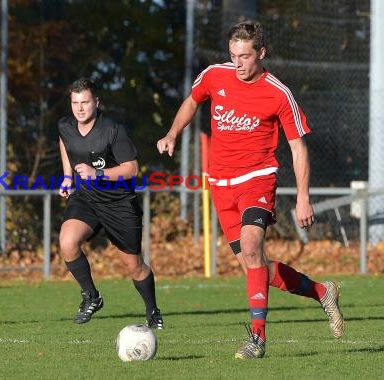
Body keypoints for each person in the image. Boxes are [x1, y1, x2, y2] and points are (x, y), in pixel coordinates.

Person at [157, 21, 344, 358]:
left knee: (252, 245)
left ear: (261, 53)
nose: (238, 63)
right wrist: (172, 133)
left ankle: (257, 339)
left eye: (245, 56)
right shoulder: (215, 75)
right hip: (221, 185)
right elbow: (191, 100)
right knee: (254, 267)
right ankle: (322, 292)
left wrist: (303, 198)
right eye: (233, 55)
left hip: (257, 179)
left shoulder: (278, 93)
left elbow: (298, 149)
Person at [57, 77, 163, 329]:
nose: (79, 108)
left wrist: (98, 174)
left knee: (134, 267)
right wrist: (67, 177)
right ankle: (92, 297)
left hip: (119, 203)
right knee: (67, 242)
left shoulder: (113, 129)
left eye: (85, 102)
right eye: (75, 103)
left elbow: (131, 168)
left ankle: (152, 310)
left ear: (96, 102)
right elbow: (64, 142)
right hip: (86, 199)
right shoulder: (65, 126)